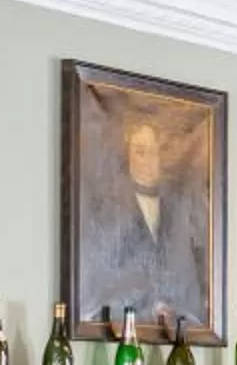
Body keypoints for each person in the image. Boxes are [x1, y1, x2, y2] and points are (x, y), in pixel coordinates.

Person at [80, 102, 210, 331]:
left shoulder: (181, 205)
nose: (148, 159)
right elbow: (96, 285)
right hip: (125, 329)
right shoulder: (107, 210)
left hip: (184, 328)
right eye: (140, 151)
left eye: (154, 151)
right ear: (128, 156)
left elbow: (203, 264)